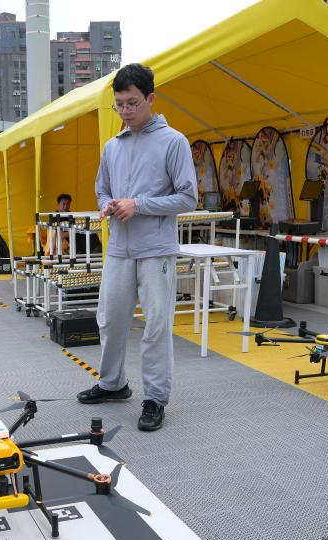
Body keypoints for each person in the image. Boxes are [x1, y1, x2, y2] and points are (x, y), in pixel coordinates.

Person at [76, 63, 197, 431]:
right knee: (110, 320)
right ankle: (113, 383)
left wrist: (138, 204)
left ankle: (155, 398)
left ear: (151, 99)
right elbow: (102, 188)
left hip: (155, 250)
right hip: (118, 250)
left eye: (132, 103)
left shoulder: (173, 141)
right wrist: (108, 203)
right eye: (119, 105)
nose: (126, 111)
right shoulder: (112, 146)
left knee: (156, 327)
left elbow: (188, 197)